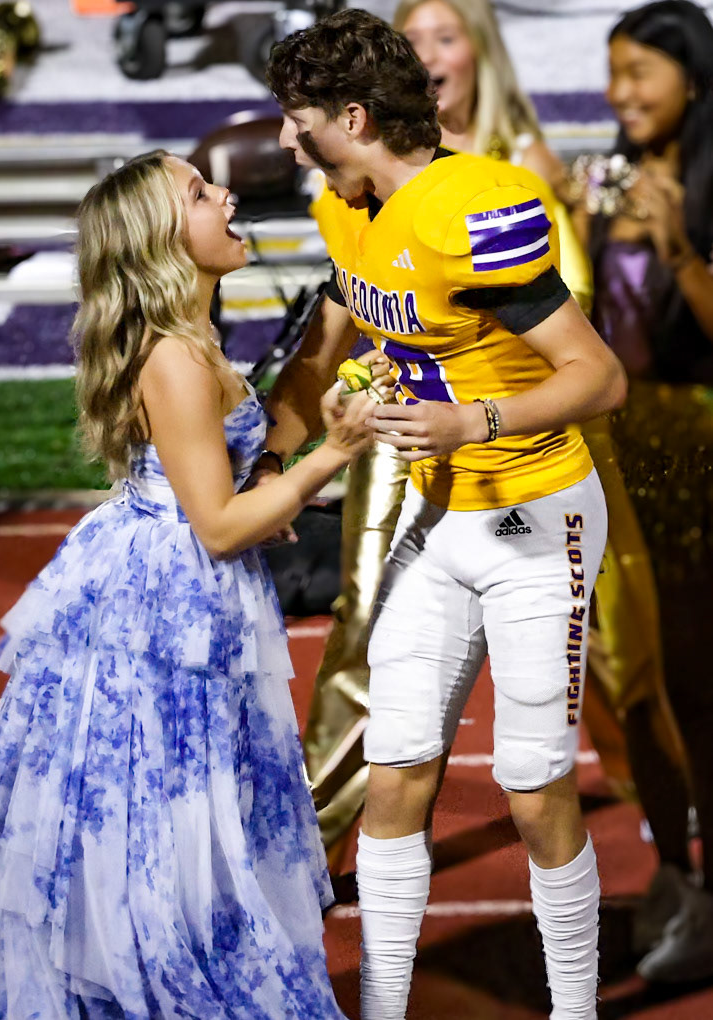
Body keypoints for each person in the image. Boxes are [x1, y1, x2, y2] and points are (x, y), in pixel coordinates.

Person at [0, 150, 375, 1018]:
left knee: (193, 820)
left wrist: (280, 466)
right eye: (200, 193)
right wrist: (337, 451)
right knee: (167, 828)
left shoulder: (194, 335)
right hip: (166, 608)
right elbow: (216, 526)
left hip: (176, 596)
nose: (225, 196)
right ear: (161, 240)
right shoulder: (175, 358)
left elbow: (228, 484)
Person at [266, 10, 627, 1019]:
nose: (288, 141)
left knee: (532, 782)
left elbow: (598, 378)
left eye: (300, 121)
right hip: (438, 520)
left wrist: (472, 416)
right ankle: (382, 1006)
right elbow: (344, 338)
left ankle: (572, 1011)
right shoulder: (348, 208)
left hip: (531, 515)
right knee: (395, 772)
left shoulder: (469, 206)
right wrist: (295, 436)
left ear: (350, 115)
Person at [296, 0, 681, 879]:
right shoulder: (353, 191)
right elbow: (373, 318)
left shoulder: (508, 182)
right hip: (410, 451)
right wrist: (358, 381)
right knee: (367, 649)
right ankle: (313, 852)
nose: (431, 56)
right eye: (413, 39)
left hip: (532, 451)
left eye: (447, 36)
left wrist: (473, 413)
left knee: (614, 669)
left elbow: (572, 352)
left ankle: (677, 858)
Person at [575, 0, 713, 983]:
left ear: (693, 81)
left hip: (702, 446)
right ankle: (676, 874)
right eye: (613, 72)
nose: (620, 93)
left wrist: (677, 248)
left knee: (700, 683)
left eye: (639, 74)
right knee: (631, 679)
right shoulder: (608, 182)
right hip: (620, 451)